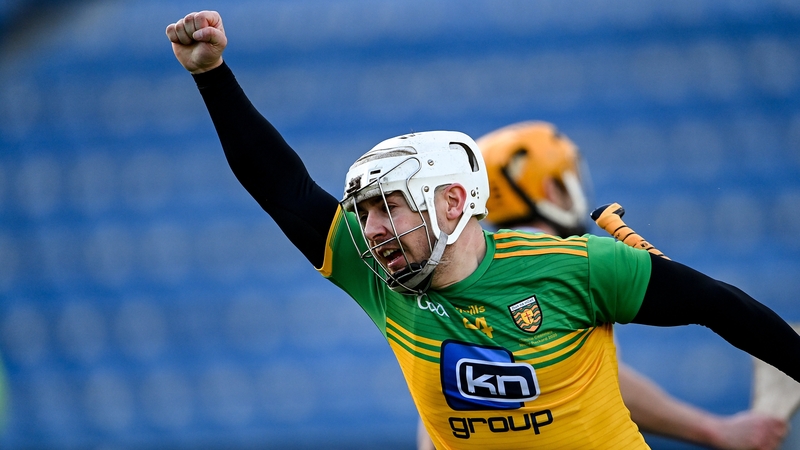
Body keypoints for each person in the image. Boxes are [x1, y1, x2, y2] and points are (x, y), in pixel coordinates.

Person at [166, 11, 800, 449]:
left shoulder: (579, 267)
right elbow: (283, 188)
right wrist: (210, 75)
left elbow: (720, 306)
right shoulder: (378, 278)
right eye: (367, 211)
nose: (374, 229)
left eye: (390, 207)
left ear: (450, 202)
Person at [415, 121, 788, 450]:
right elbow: (606, 382)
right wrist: (717, 430)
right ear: (550, 188)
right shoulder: (565, 266)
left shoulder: (465, 265)